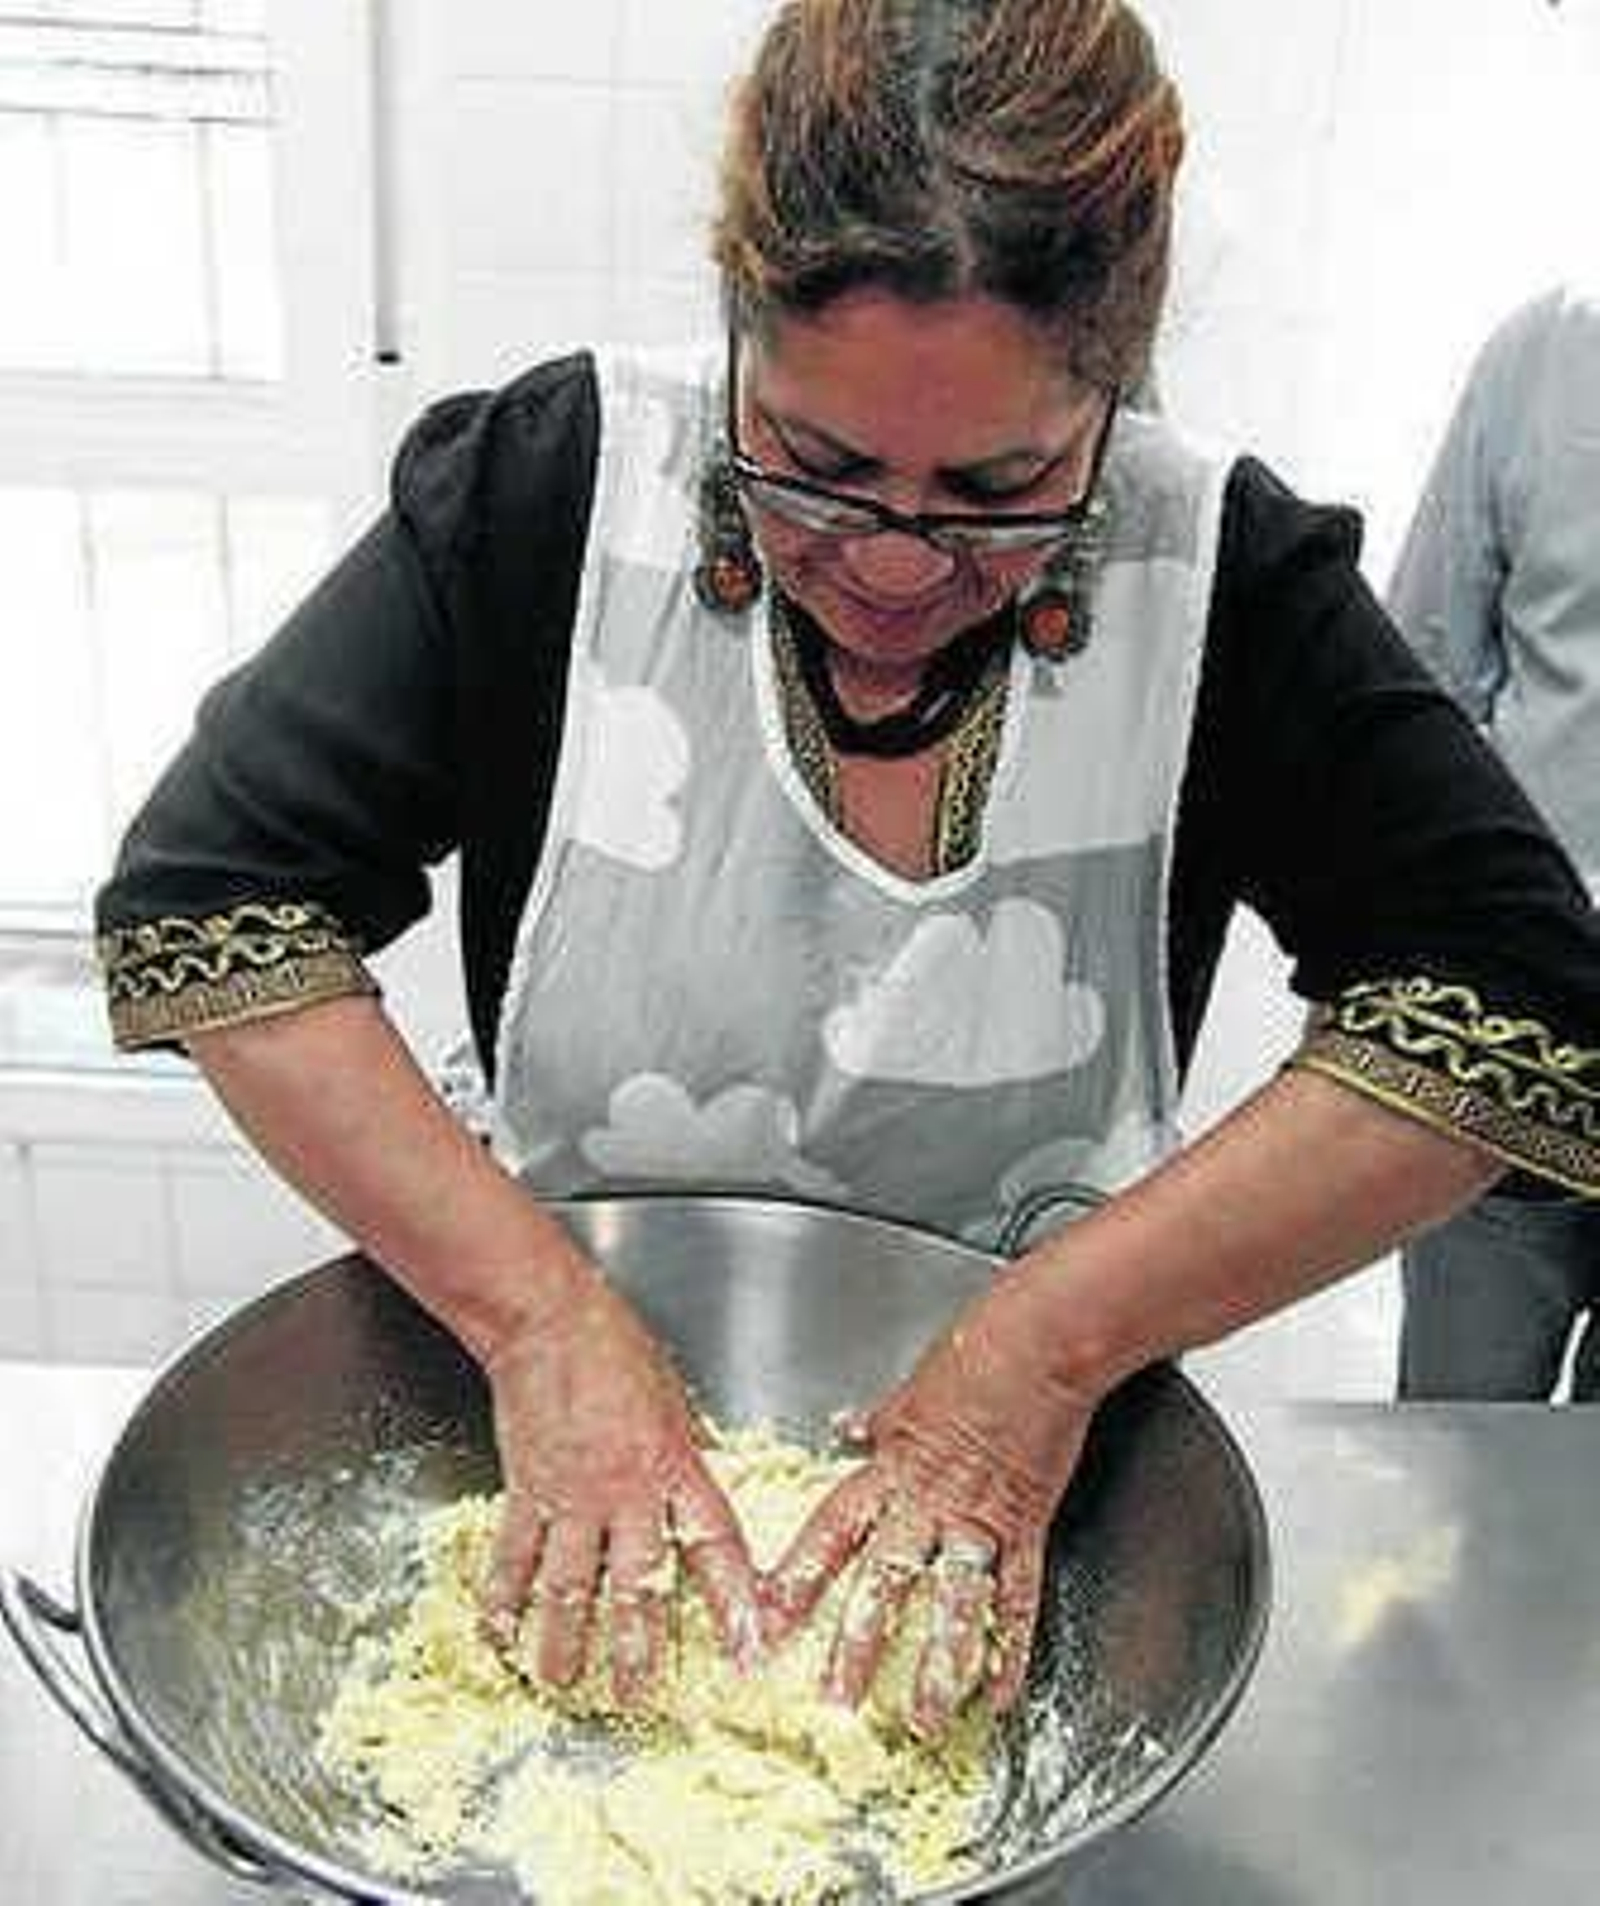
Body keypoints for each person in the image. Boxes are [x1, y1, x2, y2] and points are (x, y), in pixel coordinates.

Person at [96, 0, 1600, 1740]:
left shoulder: (1223, 584)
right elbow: (213, 900)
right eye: (813, 468)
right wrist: (538, 1324)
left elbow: (1520, 1006)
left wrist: (1039, 1354)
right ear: (739, 316)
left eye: (1004, 487)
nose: (892, 567)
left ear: (1116, 385)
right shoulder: (550, 494)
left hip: (1027, 1499)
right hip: (561, 1435)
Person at [1386, 285, 1600, 1400]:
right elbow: (1419, 693)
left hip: (1519, 1001)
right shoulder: (1551, 346)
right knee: (1454, 1452)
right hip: (1515, 1036)